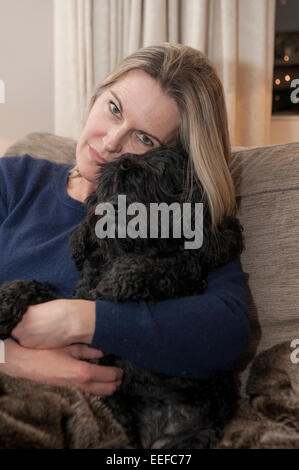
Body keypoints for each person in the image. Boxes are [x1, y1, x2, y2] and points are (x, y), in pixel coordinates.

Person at [0, 43, 250, 397]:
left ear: (171, 160)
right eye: (114, 109)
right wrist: (10, 360)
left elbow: (228, 330)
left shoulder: (173, 222)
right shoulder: (13, 180)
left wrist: (84, 320)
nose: (112, 141)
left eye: (144, 138)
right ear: (97, 97)